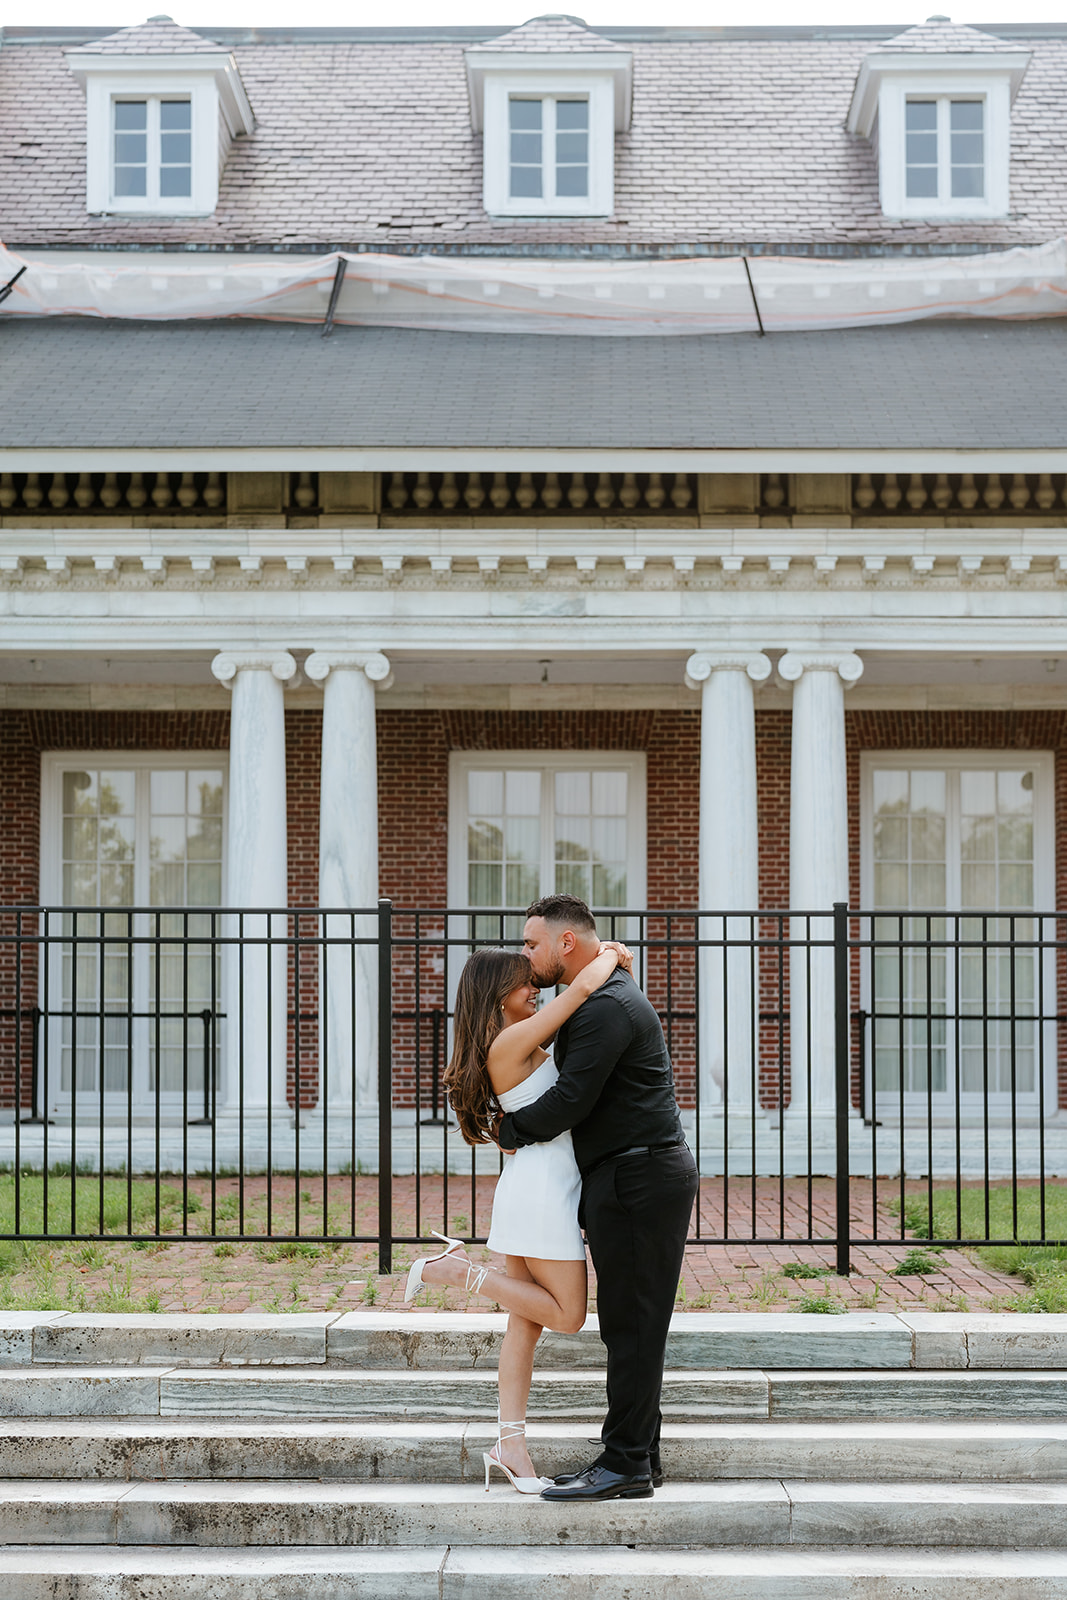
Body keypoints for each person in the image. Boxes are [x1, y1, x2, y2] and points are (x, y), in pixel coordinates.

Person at [403, 937, 630, 1493]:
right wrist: (610, 955)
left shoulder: (510, 1040)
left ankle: (510, 1443)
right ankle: (459, 1272)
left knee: (526, 1323)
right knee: (569, 1315)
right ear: (498, 994)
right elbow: (578, 991)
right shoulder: (507, 1042)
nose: (536, 987)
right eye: (525, 981)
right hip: (542, 1191)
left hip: (534, 1183)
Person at [503, 893, 699, 1504]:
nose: (526, 954)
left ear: (567, 942)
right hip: (629, 1177)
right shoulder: (602, 996)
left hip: (638, 1178)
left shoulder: (605, 1008)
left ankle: (624, 1465)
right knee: (631, 1326)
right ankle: (640, 1455)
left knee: (632, 1326)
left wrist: (505, 1130)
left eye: (533, 943)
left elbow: (571, 1102)